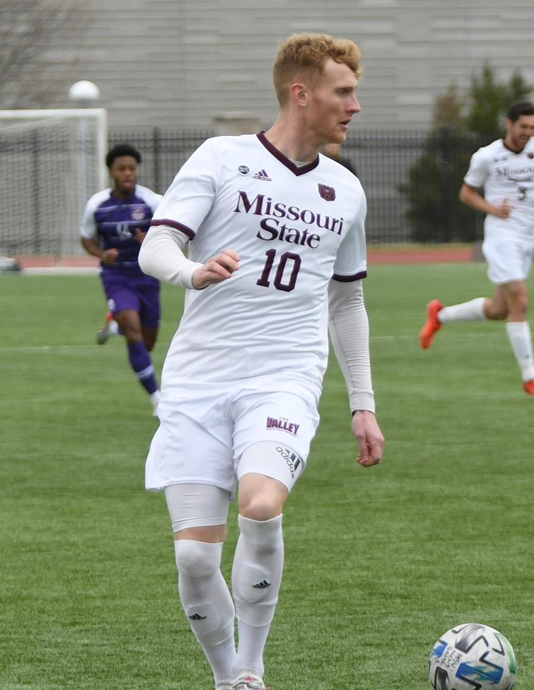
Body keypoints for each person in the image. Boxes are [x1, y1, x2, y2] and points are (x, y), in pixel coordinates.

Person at [138, 33, 384, 690]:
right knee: (194, 558)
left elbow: (348, 300)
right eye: (343, 92)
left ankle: (251, 669)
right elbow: (156, 247)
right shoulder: (222, 158)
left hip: (283, 379)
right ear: (301, 94)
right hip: (196, 381)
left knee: (262, 504)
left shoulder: (346, 191)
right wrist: (193, 273)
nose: (355, 106)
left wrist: (363, 404)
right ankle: (226, 679)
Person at [419, 101, 534, 400]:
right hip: (500, 236)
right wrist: (492, 209)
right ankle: (531, 378)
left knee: (500, 310)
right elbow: (466, 193)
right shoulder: (486, 156)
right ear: (508, 124)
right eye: (523, 127)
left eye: (532, 128)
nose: (528, 133)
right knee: (520, 301)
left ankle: (440, 315)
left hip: (527, 236)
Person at [80, 143, 163, 414]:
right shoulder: (97, 205)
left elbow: (172, 234)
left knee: (147, 342)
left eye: (132, 168)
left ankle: (115, 327)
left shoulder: (152, 202)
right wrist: (102, 254)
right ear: (111, 173)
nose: (128, 173)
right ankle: (157, 399)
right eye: (121, 169)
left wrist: (151, 238)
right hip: (116, 277)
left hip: (147, 274)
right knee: (135, 334)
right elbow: (86, 238)